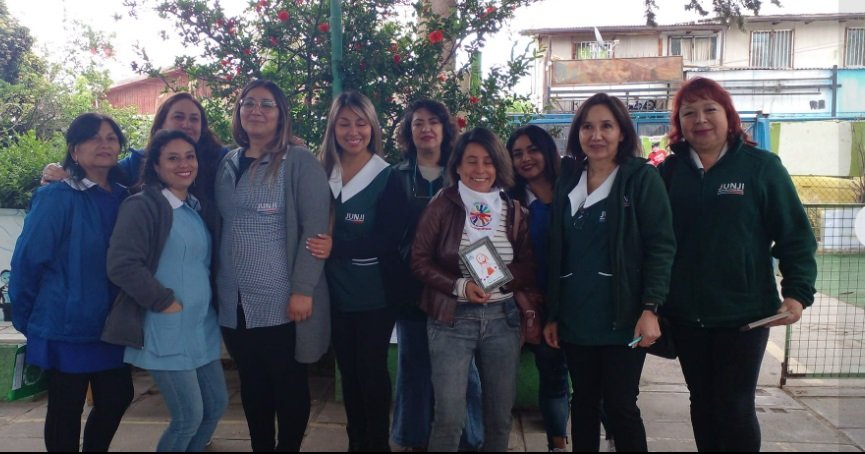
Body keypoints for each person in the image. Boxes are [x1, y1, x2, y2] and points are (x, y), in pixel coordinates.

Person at [661, 77, 817, 452]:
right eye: (689, 112)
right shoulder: (667, 173)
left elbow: (795, 235)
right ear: (679, 124)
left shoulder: (761, 168)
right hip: (686, 315)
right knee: (702, 403)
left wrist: (797, 293)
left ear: (729, 117)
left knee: (734, 404)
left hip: (745, 315)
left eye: (710, 109)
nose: (700, 119)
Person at [543, 93, 676, 452]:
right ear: (577, 133)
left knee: (620, 405)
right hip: (576, 316)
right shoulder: (568, 180)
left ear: (621, 132)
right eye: (587, 126)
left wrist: (651, 308)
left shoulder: (640, 178)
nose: (596, 135)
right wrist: (553, 314)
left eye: (606, 126)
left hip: (625, 317)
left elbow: (661, 246)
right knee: (583, 401)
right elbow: (559, 252)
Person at [214, 79, 332, 452]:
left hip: (282, 300)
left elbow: (316, 229)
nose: (256, 110)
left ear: (281, 115)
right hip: (234, 301)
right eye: (248, 103)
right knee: (251, 383)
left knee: (288, 383)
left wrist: (302, 289)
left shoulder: (298, 161)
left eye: (267, 104)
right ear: (238, 112)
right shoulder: (227, 162)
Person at [10, 112, 134, 452]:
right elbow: (26, 261)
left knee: (118, 397)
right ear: (74, 150)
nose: (104, 144)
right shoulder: (57, 197)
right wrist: (28, 319)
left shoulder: (125, 197)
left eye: (111, 137)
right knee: (66, 408)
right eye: (93, 137)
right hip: (66, 326)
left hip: (111, 325)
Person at [412, 127, 536, 452]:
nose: (480, 170)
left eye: (488, 161)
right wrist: (460, 286)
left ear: (498, 166)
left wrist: (505, 279)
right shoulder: (443, 205)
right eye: (471, 161)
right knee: (449, 418)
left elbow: (529, 263)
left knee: (499, 417)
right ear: (457, 166)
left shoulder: (513, 208)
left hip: (502, 320)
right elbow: (419, 260)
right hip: (452, 320)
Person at [103, 129, 228, 451]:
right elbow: (122, 264)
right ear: (156, 167)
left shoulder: (194, 208)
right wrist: (164, 301)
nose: (183, 164)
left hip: (201, 329)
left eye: (189, 156)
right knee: (188, 417)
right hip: (167, 330)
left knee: (215, 406)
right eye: (172, 158)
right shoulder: (144, 206)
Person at [389, 99, 485, 451]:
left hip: (457, 289)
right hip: (412, 289)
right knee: (413, 367)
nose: (426, 128)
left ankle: (470, 438)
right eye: (418, 123)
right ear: (409, 131)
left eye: (433, 122)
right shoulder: (396, 177)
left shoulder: (461, 175)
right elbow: (390, 234)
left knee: (464, 371)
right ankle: (413, 437)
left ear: (445, 130)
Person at [319, 91, 405, 452]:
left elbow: (389, 240)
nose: (353, 131)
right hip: (331, 293)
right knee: (348, 372)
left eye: (361, 122)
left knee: (370, 370)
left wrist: (337, 247)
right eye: (344, 123)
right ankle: (356, 441)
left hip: (374, 295)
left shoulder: (388, 177)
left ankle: (378, 442)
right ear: (333, 128)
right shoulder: (322, 171)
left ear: (372, 127)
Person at [505, 125, 571, 452]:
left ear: (547, 150)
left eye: (532, 149)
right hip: (528, 303)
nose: (526, 158)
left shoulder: (573, 192)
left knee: (579, 378)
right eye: (517, 154)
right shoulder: (509, 202)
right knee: (549, 373)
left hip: (573, 300)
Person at [41, 92, 227, 199]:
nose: (186, 124)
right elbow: (100, 176)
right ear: (161, 123)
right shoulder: (138, 162)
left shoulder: (220, 161)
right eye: (178, 117)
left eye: (194, 119)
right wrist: (67, 175)